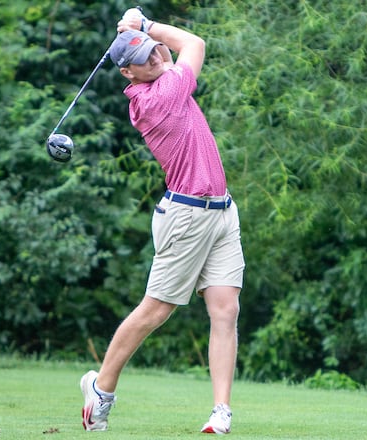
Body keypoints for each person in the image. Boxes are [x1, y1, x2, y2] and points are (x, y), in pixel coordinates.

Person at [80, 8, 245, 435]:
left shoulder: (161, 76)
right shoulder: (157, 97)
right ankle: (101, 388)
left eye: (152, 51)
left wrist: (143, 35)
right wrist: (146, 24)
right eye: (143, 57)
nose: (154, 56)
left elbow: (171, 58)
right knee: (156, 311)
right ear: (129, 76)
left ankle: (220, 412)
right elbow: (194, 44)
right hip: (187, 217)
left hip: (222, 211)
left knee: (225, 310)